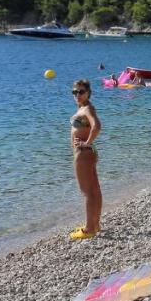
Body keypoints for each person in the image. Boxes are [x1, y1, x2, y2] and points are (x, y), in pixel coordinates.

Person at [69, 80, 102, 240]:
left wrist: (86, 143)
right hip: (88, 152)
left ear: (88, 93)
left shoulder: (87, 108)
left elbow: (97, 126)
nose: (77, 95)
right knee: (94, 190)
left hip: (83, 153)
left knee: (87, 192)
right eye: (74, 92)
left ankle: (89, 229)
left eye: (81, 92)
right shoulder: (83, 108)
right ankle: (95, 224)